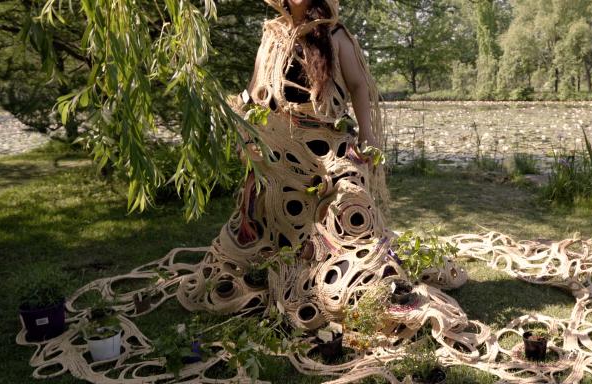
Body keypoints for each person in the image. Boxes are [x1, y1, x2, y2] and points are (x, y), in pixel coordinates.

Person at [173, 0, 466, 330]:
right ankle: (273, 274)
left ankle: (347, 280)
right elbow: (255, 88)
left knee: (349, 196)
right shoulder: (272, 36)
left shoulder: (334, 33)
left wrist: (367, 134)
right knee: (261, 200)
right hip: (279, 147)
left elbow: (357, 85)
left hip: (326, 143)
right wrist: (244, 130)